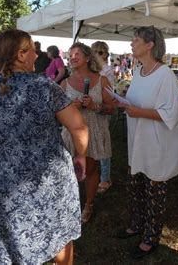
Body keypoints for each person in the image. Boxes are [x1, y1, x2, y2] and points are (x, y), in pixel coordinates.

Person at [0, 30, 88, 264]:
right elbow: (78, 128)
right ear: (21, 54)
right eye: (33, 51)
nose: (37, 56)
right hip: (48, 181)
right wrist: (81, 156)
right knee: (58, 235)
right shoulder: (45, 86)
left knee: (10, 245)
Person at [116, 26, 178, 260]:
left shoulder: (165, 75)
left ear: (150, 45)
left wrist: (137, 111)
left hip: (157, 144)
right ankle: (137, 224)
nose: (131, 44)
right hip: (138, 140)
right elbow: (137, 103)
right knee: (135, 186)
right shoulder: (139, 71)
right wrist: (124, 103)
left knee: (154, 191)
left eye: (135, 40)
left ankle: (151, 236)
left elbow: (171, 114)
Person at [61, 42, 114, 224]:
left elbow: (112, 109)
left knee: (90, 169)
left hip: (94, 131)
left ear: (88, 58)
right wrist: (69, 108)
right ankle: (70, 203)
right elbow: (55, 113)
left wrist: (94, 105)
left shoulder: (102, 80)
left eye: (77, 54)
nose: (72, 57)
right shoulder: (64, 83)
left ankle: (89, 205)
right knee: (70, 171)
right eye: (70, 54)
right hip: (71, 133)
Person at [91, 41, 114, 194]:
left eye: (100, 52)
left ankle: (105, 178)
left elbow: (109, 93)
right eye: (94, 52)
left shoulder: (107, 71)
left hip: (102, 109)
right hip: (89, 109)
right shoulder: (91, 69)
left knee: (102, 143)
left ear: (106, 54)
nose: (97, 55)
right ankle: (93, 171)